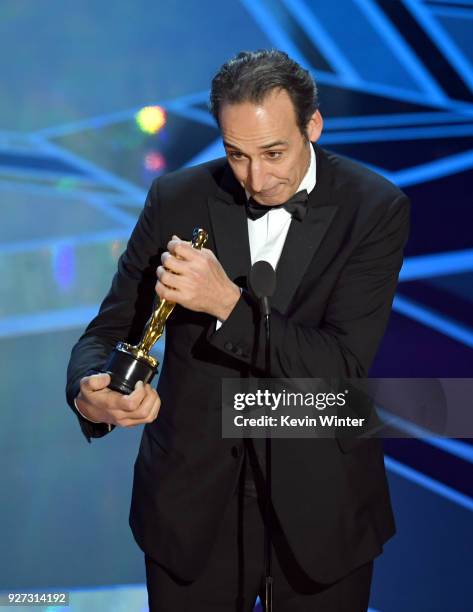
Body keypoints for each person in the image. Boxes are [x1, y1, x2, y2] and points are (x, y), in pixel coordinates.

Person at [66, 49, 410, 611]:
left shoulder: (373, 208)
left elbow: (341, 369)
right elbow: (107, 332)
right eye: (236, 155)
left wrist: (227, 302)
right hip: (189, 508)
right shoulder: (176, 197)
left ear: (313, 126)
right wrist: (89, 394)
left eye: (274, 152)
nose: (255, 178)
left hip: (321, 505)